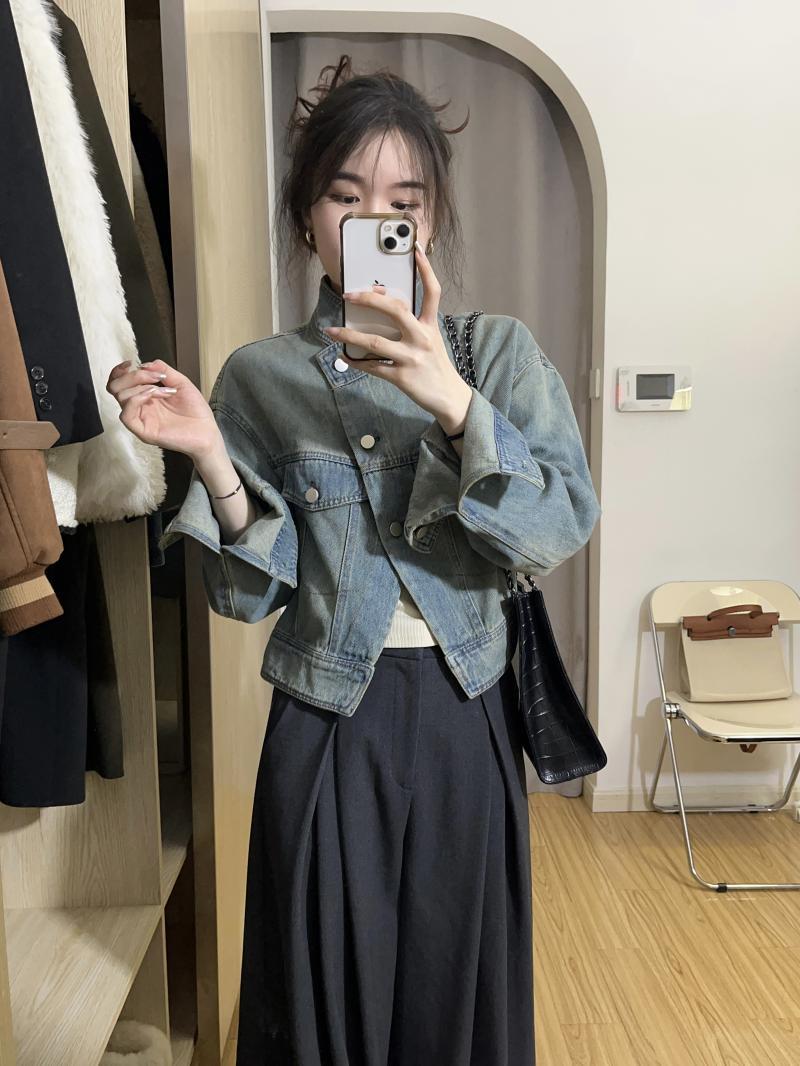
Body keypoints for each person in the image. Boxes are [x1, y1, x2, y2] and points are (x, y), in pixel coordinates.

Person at [107, 54, 600, 1066]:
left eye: (401, 203)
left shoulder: (496, 353)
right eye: (345, 196)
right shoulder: (259, 377)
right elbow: (242, 595)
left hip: (466, 710)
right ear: (307, 219)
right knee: (322, 987)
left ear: (429, 222)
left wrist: (454, 402)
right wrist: (211, 457)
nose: (374, 221)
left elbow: (559, 522)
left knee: (453, 985)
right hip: (328, 719)